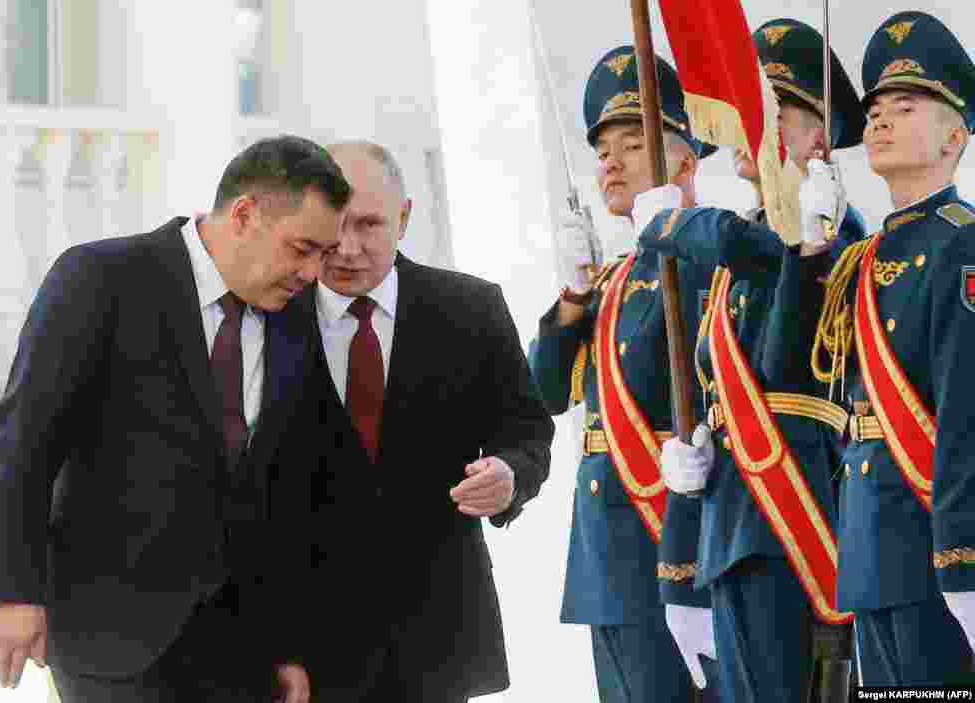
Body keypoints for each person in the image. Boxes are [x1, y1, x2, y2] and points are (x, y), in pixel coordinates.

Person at [0, 135, 351, 702]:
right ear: (244, 214)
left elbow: (291, 487)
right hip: (111, 637)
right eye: (302, 248)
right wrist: (13, 591)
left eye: (324, 253)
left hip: (239, 652)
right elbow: (27, 438)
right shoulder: (101, 277)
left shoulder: (296, 318)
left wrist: (288, 645)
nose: (313, 271)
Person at [272, 140, 554, 703]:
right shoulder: (268, 315)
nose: (347, 248)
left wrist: (509, 476)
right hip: (307, 644)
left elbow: (527, 432)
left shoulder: (471, 308)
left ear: (404, 218)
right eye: (337, 225)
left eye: (370, 224)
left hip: (436, 637)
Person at [643, 18, 867, 702]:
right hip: (732, 526)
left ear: (817, 140)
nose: (751, 125)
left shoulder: (835, 238)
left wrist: (675, 221)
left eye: (774, 113)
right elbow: (720, 389)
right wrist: (691, 472)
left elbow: (781, 357)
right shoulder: (744, 247)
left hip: (798, 525)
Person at [529, 47, 728, 702]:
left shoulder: (705, 259)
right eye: (603, 148)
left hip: (673, 546)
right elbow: (543, 393)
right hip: (606, 559)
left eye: (632, 144)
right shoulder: (614, 280)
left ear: (684, 163)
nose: (609, 161)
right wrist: (573, 296)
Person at [802, 10, 975, 686]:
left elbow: (965, 415)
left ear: (956, 136)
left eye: (905, 107)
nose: (878, 120)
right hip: (874, 552)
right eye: (874, 109)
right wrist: (817, 232)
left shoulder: (961, 244)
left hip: (939, 554)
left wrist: (963, 558)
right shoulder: (863, 257)